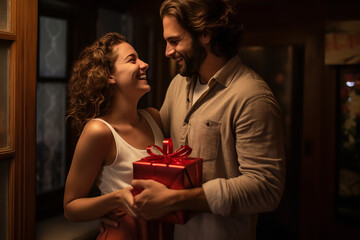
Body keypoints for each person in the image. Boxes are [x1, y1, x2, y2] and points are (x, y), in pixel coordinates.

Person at [129, 0, 286, 239]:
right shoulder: (178, 84)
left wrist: (179, 199)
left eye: (175, 41)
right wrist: (114, 204)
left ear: (205, 33)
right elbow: (158, 145)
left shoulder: (251, 96)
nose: (167, 52)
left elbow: (266, 188)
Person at [63, 32, 167, 240]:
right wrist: (117, 199)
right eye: (132, 60)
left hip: (162, 231)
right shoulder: (99, 132)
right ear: (109, 75)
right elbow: (71, 208)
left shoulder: (154, 118)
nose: (145, 64)